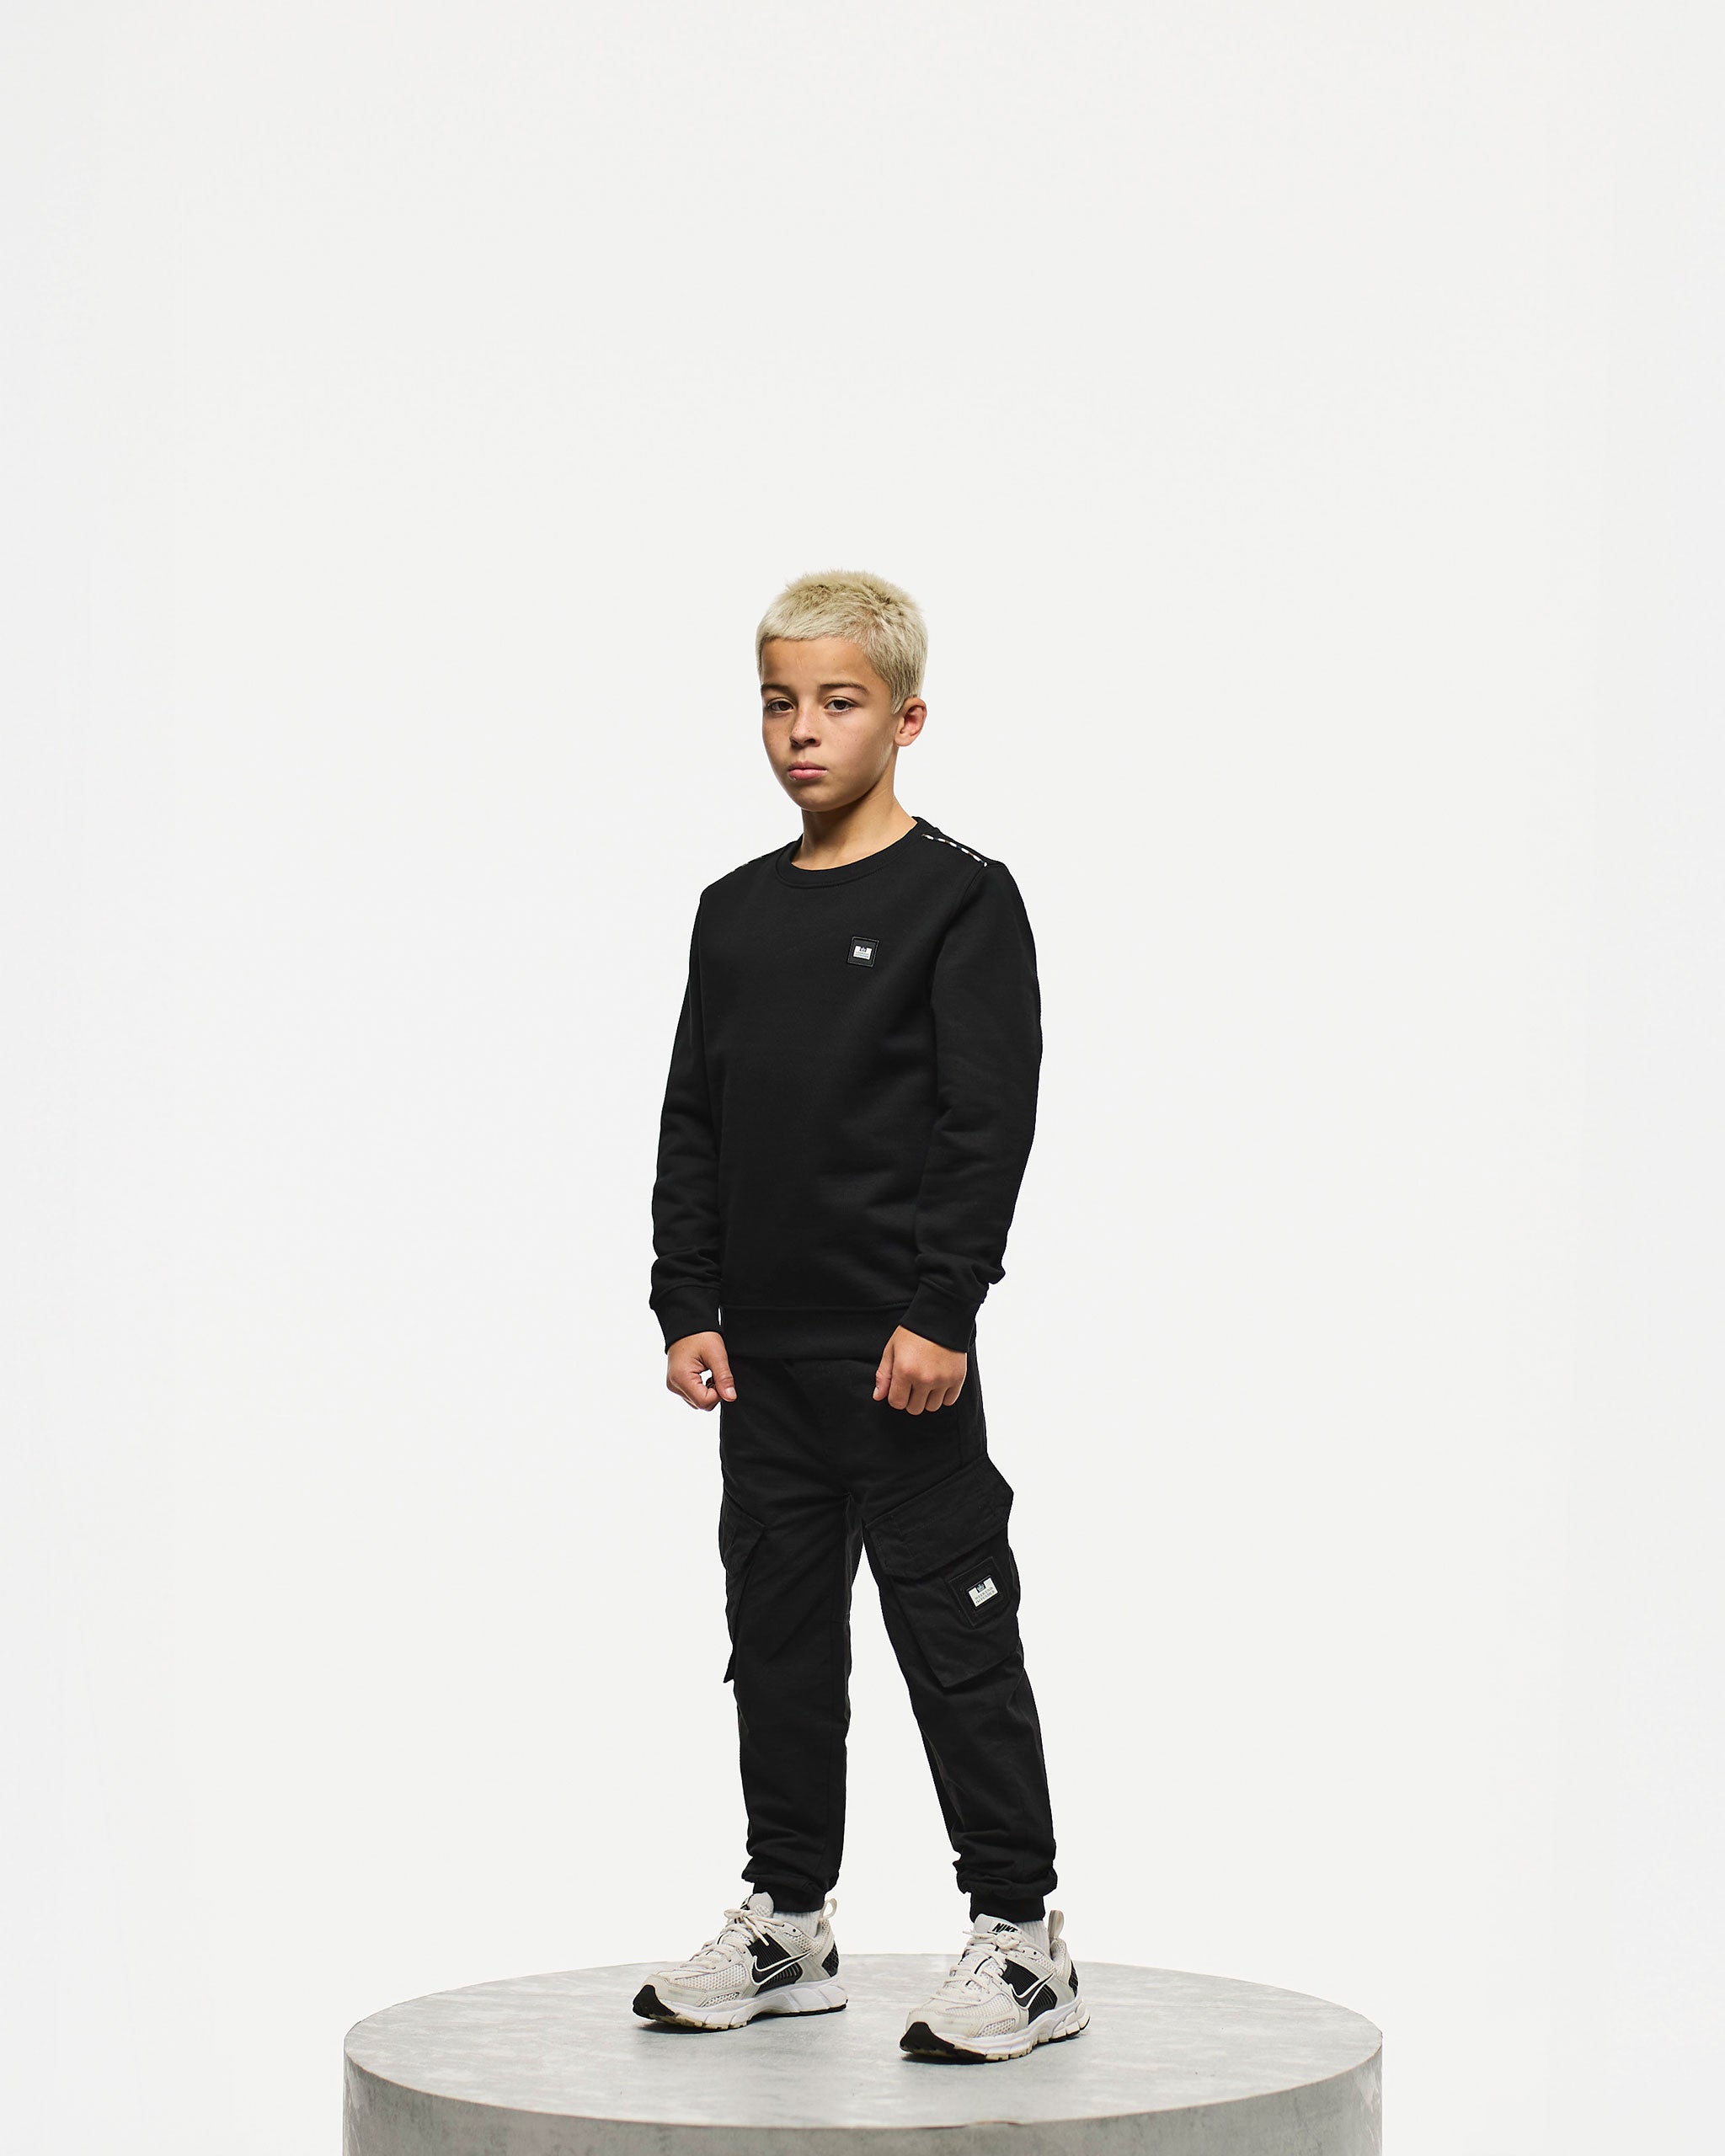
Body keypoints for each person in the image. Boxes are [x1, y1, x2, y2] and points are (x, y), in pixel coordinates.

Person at [634, 570, 1084, 2063]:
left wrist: (942, 1309)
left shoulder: (963, 897)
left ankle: (1023, 1939)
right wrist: (685, 1299)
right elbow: (694, 1119)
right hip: (762, 1365)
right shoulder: (734, 913)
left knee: (956, 1643)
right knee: (775, 1644)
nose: (803, 731)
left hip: (901, 1362)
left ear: (907, 717)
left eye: (838, 702)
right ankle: (789, 1923)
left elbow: (985, 1121)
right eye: (780, 702)